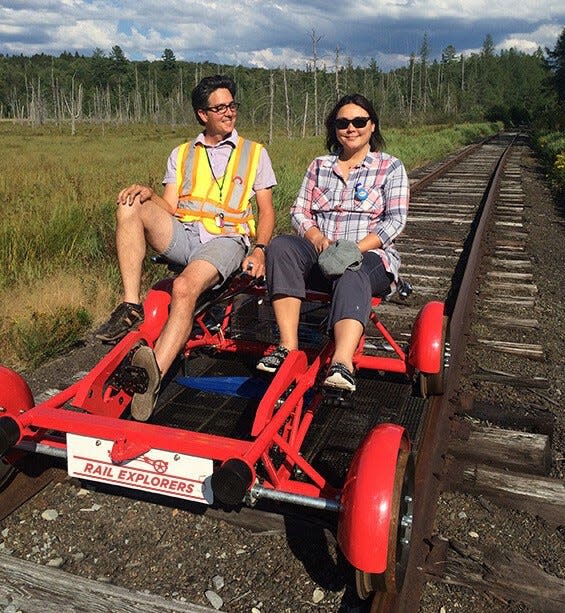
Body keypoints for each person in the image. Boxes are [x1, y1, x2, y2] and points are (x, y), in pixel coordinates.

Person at [95, 74, 276, 420]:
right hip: (184, 233)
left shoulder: (255, 154)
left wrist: (260, 248)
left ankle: (152, 379)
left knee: (184, 287)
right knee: (129, 205)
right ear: (201, 114)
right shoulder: (181, 154)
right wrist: (146, 193)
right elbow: (170, 206)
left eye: (232, 105)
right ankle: (130, 303)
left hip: (227, 239)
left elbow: (266, 210)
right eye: (220, 107)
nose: (229, 113)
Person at [256, 93, 409, 393]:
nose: (351, 128)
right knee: (280, 248)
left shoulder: (390, 167)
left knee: (353, 270)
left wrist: (355, 249)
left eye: (359, 121)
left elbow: (395, 220)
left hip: (369, 255)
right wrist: (316, 238)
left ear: (372, 126)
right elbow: (300, 211)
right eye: (343, 122)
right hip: (322, 252)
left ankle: (341, 362)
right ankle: (287, 346)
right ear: (334, 128)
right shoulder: (319, 166)